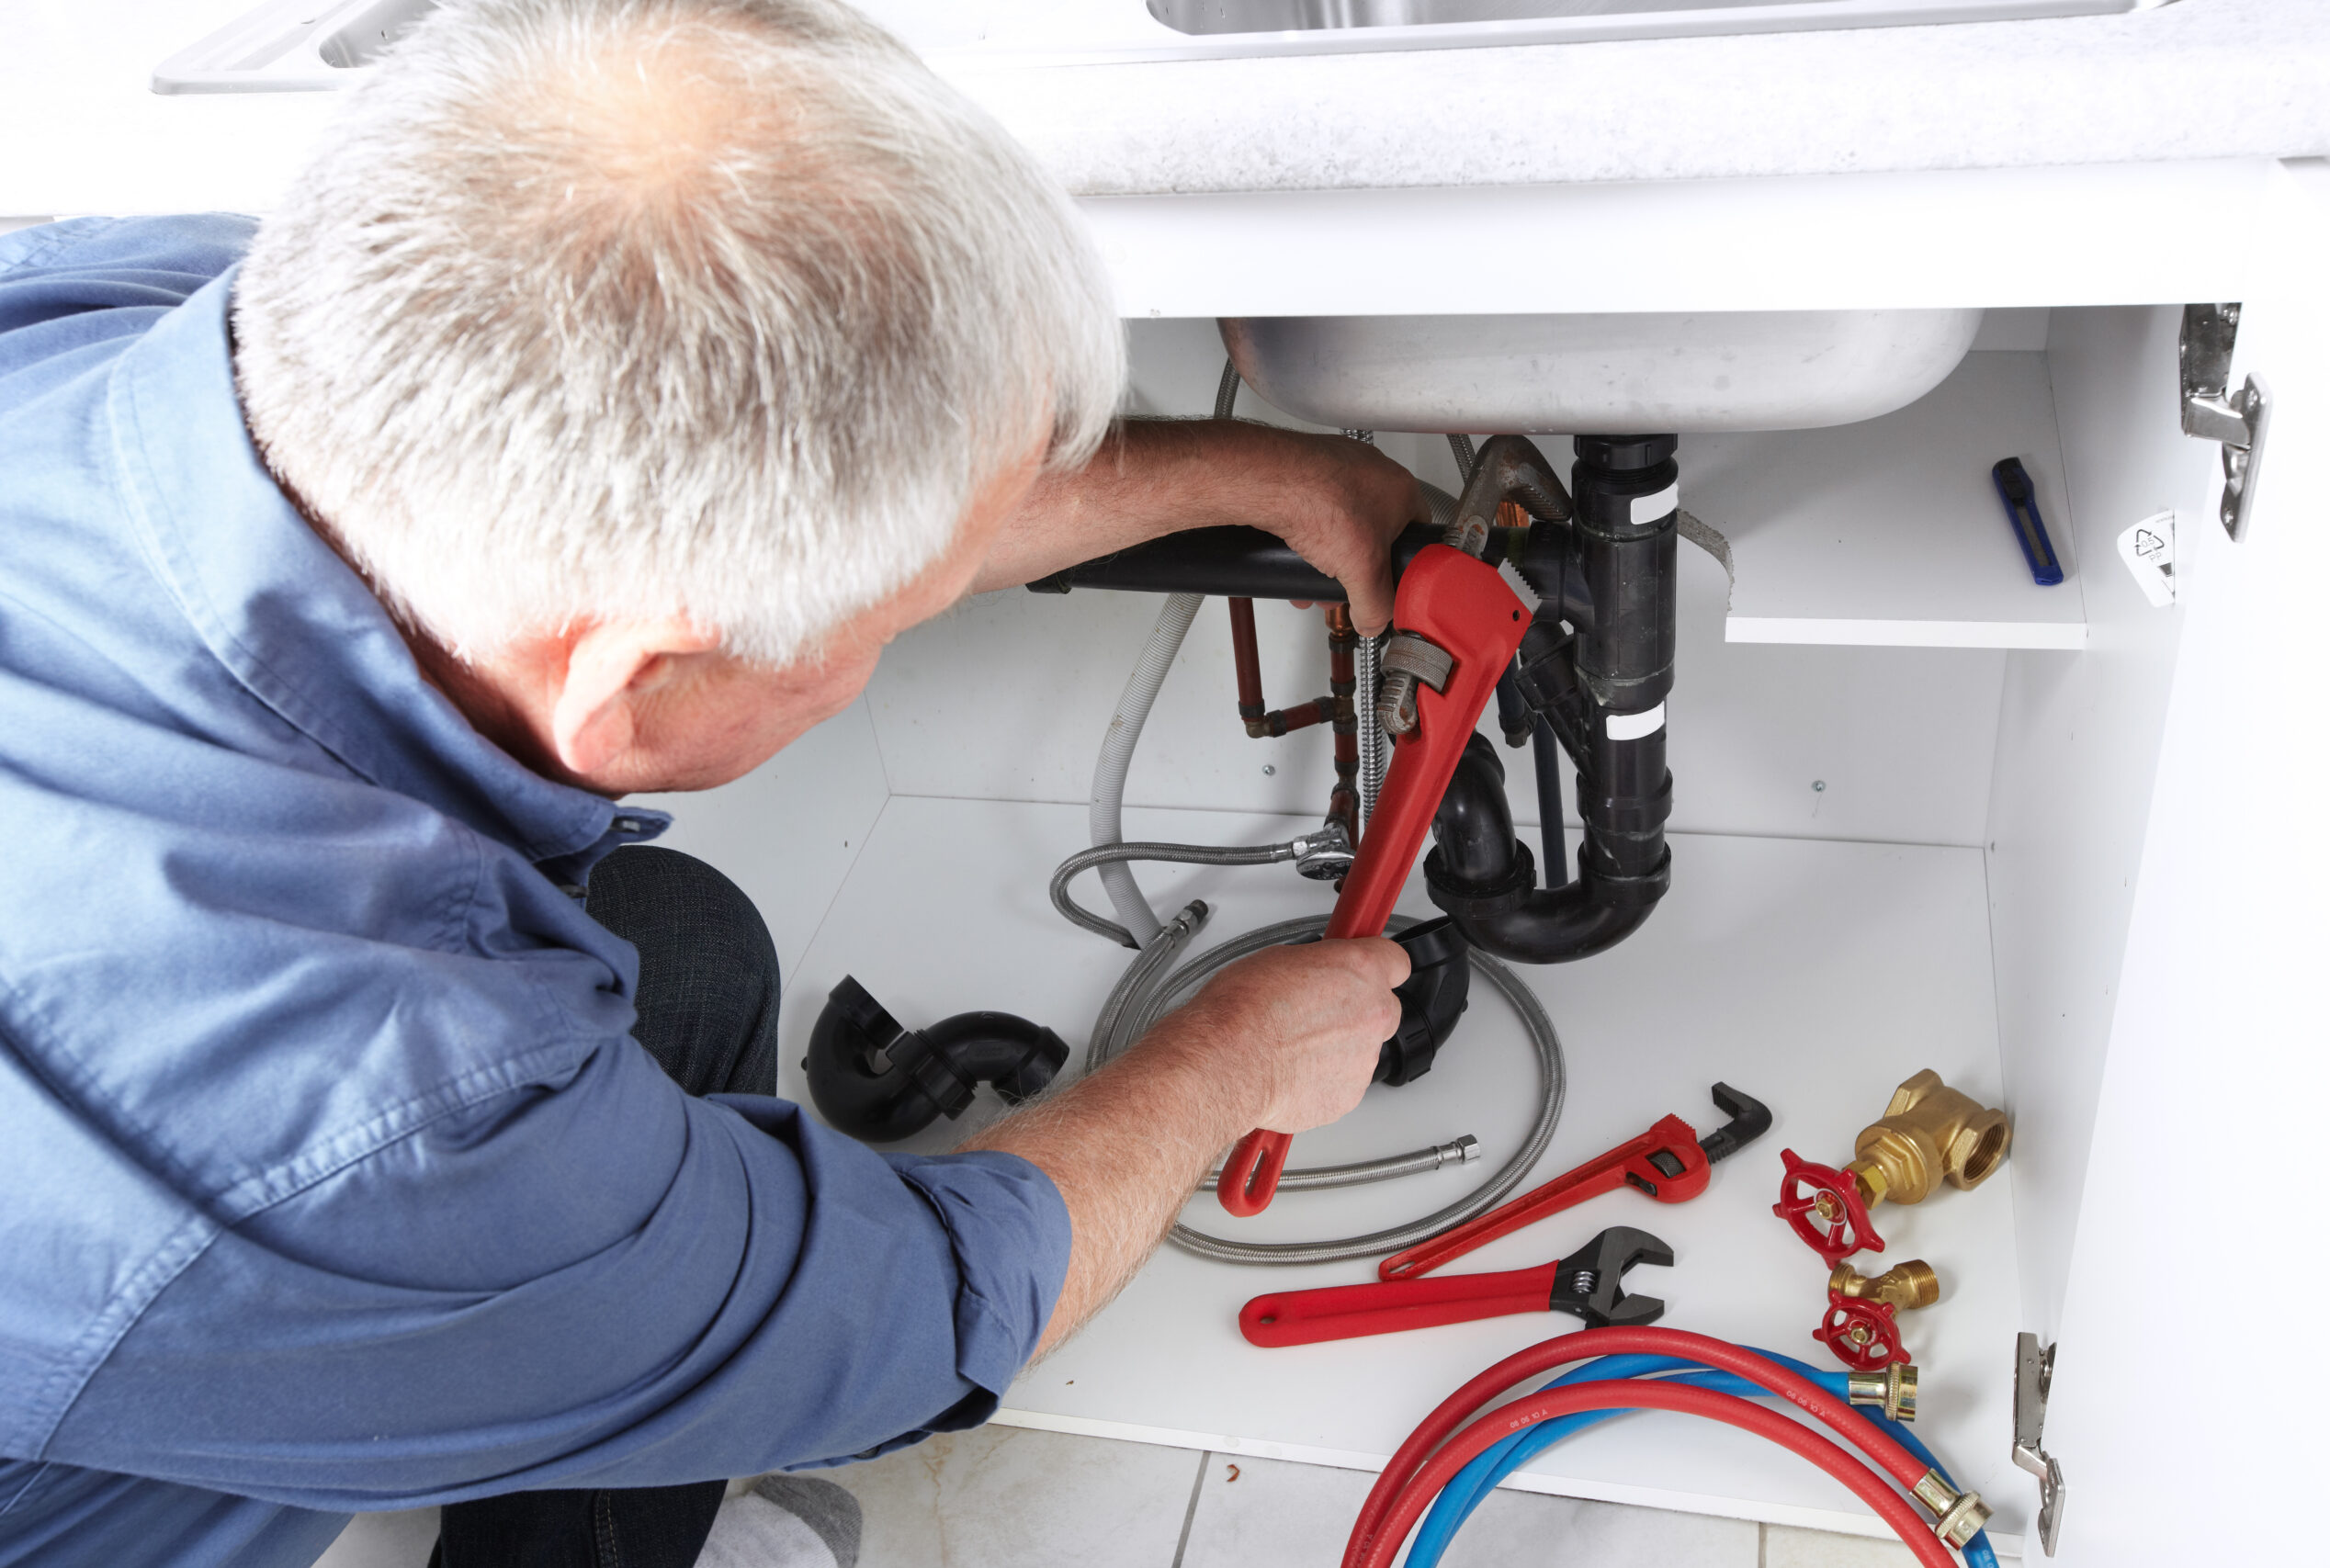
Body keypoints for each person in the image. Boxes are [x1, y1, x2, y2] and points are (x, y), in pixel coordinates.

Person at [0, 3, 1433, 1565]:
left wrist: (1282, 475)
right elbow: (923, 1312)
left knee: (679, 950)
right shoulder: (374, 1123)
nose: (897, 630)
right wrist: (1229, 1063)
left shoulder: (158, 311)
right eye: (888, 625)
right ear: (636, 682)